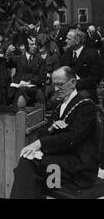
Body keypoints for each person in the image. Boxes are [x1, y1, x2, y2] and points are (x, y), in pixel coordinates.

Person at [10, 67, 101, 199]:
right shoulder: (59, 107)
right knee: (27, 163)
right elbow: (43, 133)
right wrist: (50, 129)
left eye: (60, 84)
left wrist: (39, 143)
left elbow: (72, 138)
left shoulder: (86, 106)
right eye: (54, 85)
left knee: (29, 165)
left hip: (79, 167)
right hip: (61, 160)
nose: (56, 89)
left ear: (73, 82)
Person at [60, 29, 102, 104]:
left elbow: (96, 78)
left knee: (75, 100)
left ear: (77, 41)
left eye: (68, 39)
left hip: (86, 89)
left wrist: (76, 84)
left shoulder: (92, 54)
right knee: (54, 100)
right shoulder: (66, 54)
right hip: (67, 88)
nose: (66, 41)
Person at [6, 36, 47, 107]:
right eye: (32, 44)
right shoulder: (19, 58)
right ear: (25, 46)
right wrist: (8, 54)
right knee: (6, 91)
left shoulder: (41, 61)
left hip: (32, 87)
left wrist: (28, 82)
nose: (34, 46)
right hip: (17, 85)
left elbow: (42, 77)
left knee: (22, 90)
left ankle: (16, 112)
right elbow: (9, 64)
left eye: (36, 44)